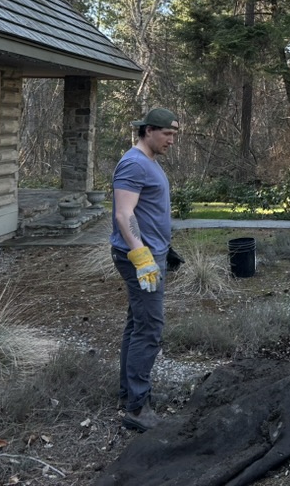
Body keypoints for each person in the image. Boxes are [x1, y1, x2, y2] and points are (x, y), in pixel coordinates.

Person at [109, 107, 179, 433]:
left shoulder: (149, 162)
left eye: (174, 135)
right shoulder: (133, 163)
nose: (171, 140)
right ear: (148, 130)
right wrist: (142, 257)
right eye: (167, 134)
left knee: (136, 324)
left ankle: (128, 395)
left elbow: (148, 212)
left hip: (154, 254)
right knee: (150, 328)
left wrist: (166, 249)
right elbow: (125, 215)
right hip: (141, 260)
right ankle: (138, 408)